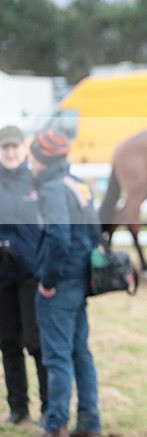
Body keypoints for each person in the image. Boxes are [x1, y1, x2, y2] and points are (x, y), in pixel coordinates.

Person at [29, 129, 102, 437]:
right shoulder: (78, 185)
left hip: (59, 286)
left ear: (42, 159)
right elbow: (95, 232)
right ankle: (89, 421)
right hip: (80, 281)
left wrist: (48, 280)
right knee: (79, 353)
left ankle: (55, 424)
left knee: (57, 357)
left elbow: (58, 236)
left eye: (32, 157)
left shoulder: (52, 190)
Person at [0, 125, 47, 425]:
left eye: (15, 147)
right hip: (2, 275)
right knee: (8, 342)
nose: (11, 153)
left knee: (36, 342)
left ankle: (47, 408)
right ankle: (18, 408)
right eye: (5, 148)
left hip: (31, 274)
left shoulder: (37, 181)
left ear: (23, 149)